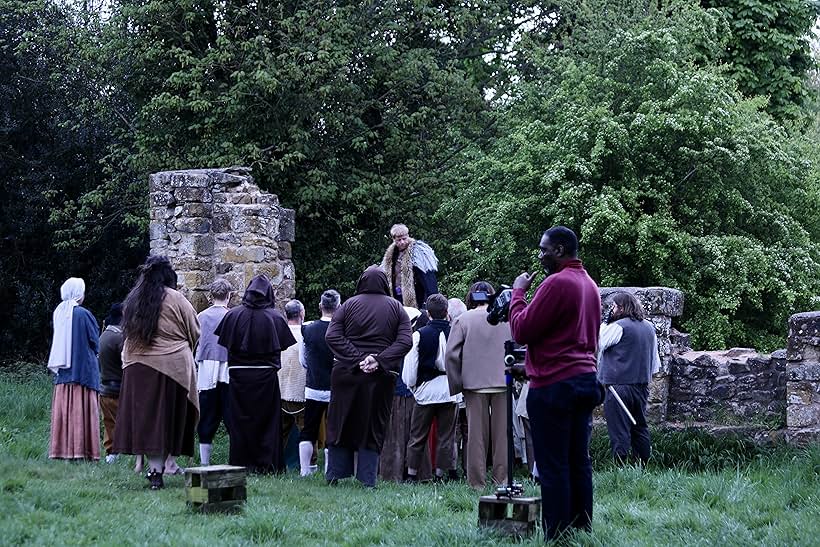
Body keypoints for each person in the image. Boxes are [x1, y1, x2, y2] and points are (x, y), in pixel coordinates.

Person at [509, 226, 604, 540]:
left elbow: (522, 330)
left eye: (544, 249)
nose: (540, 255)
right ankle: (581, 528)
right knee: (578, 461)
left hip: (554, 385)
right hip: (585, 379)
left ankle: (557, 534)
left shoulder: (557, 283)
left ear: (561, 250)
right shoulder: (588, 284)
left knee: (552, 465)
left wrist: (518, 293)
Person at [113, 256, 200, 490]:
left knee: (147, 421)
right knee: (165, 420)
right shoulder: (176, 298)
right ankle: (158, 469)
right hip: (173, 367)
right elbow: (194, 330)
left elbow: (127, 333)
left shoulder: (133, 299)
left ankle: (154, 470)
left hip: (137, 367)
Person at [325, 266, 412, 487]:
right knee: (372, 425)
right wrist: (378, 360)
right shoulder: (397, 308)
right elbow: (405, 341)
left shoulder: (348, 305)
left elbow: (332, 336)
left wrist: (356, 359)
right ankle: (367, 479)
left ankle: (335, 474)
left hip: (346, 374)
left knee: (340, 421)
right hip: (380, 377)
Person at [214, 274, 296, 474]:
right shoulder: (275, 317)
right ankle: (266, 464)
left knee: (241, 420)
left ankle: (241, 462)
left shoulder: (232, 315)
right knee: (267, 421)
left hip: (239, 378)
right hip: (265, 378)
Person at [445, 281, 511, 490]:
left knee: (475, 437)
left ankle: (476, 483)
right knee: (502, 437)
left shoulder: (462, 320)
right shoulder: (507, 319)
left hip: (473, 385)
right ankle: (502, 481)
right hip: (503, 382)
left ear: (470, 297)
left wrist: (457, 385)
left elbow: (451, 355)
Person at [598, 292, 660, 465]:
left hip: (618, 387)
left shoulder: (618, 326)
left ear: (622, 308)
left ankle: (620, 467)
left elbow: (598, 342)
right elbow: (655, 364)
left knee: (619, 429)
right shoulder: (649, 327)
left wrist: (606, 320)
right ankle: (642, 465)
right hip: (641, 386)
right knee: (639, 426)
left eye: (615, 306)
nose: (612, 309)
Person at [402, 294, 459, 482]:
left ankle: (411, 474)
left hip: (426, 391)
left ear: (428, 313)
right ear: (446, 312)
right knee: (446, 436)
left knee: (417, 435)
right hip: (449, 390)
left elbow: (411, 367)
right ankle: (439, 474)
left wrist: (413, 387)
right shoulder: (456, 332)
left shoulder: (418, 335)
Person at [47, 277, 101, 461]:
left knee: (66, 411)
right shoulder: (83, 314)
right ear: (79, 293)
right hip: (83, 370)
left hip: (64, 373)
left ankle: (62, 451)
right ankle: (83, 452)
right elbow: (95, 341)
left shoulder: (59, 312)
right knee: (82, 411)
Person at [298, 290, 340, 476]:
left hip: (313, 387)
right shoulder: (341, 331)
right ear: (338, 307)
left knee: (309, 429)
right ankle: (329, 470)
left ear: (320, 306)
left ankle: (305, 471)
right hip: (335, 388)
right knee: (332, 430)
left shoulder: (307, 329)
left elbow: (303, 360)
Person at [194, 278, 233, 466]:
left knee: (207, 413)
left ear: (211, 296)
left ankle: (205, 461)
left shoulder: (201, 316)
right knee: (231, 413)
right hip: (226, 365)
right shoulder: (232, 315)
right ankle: (235, 457)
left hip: (206, 365)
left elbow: (195, 341)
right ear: (229, 295)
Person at [379, 224, 438, 309]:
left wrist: (433, 301)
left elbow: (428, 277)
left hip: (416, 296)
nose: (402, 242)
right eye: (399, 240)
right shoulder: (390, 255)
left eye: (404, 239)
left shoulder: (418, 251)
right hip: (396, 296)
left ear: (408, 236)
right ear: (393, 239)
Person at [279, 299, 306, 461]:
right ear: (302, 314)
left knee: (280, 433)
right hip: (300, 390)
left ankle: (276, 462)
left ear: (285, 314)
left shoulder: (278, 333)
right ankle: (310, 465)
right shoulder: (306, 333)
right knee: (306, 431)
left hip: (281, 389)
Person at [98, 302, 124, 463]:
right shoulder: (119, 338)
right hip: (118, 389)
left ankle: (111, 454)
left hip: (104, 388)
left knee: (109, 423)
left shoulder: (104, 336)